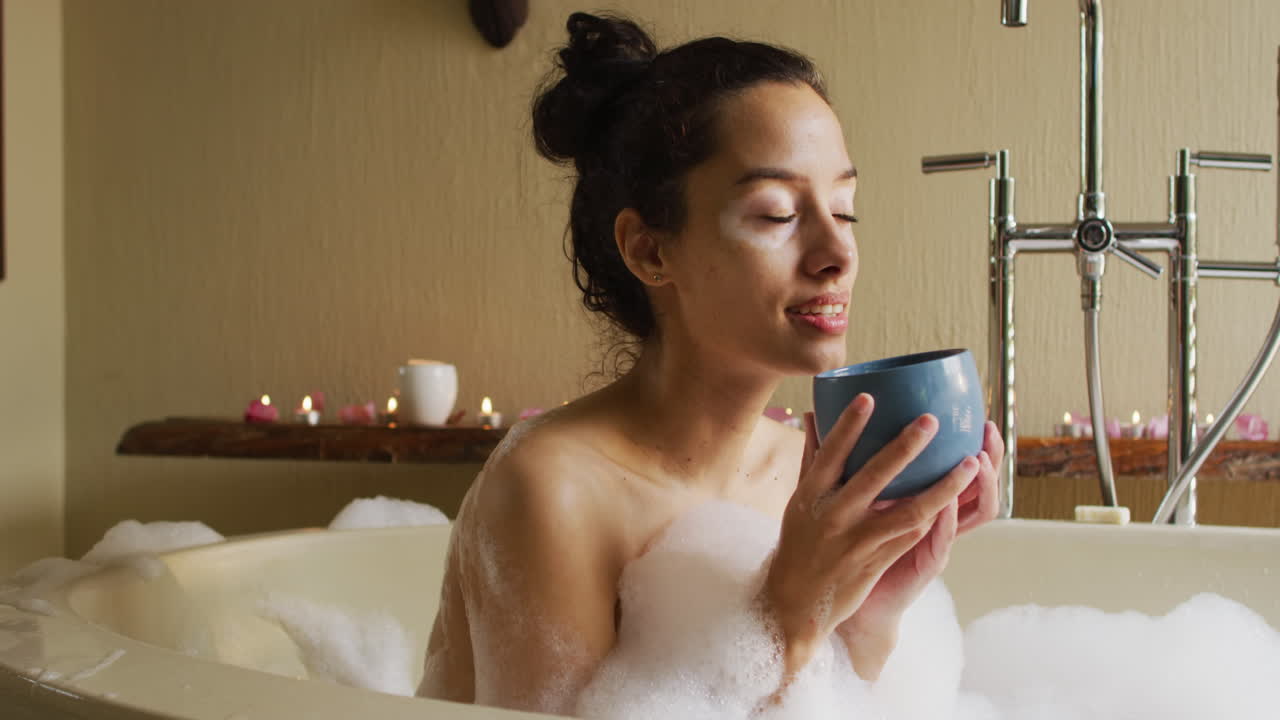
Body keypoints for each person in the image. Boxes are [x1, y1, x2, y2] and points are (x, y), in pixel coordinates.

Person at [416, 12, 1003, 715]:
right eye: (777, 214)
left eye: (845, 210)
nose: (837, 253)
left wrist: (873, 614)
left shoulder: (804, 472)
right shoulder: (551, 490)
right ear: (650, 251)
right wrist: (786, 616)